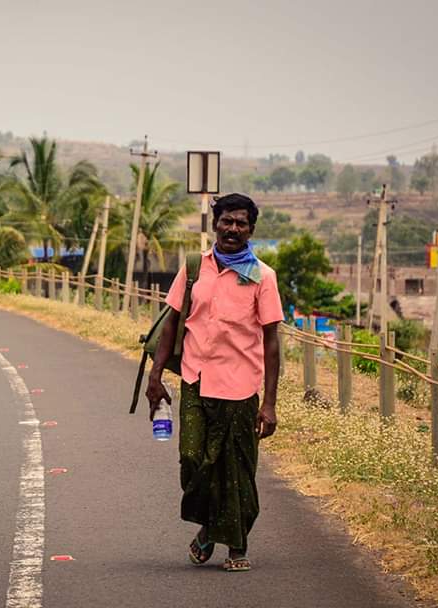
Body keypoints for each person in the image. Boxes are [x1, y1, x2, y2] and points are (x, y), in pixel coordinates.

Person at [145, 192, 283, 572]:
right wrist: (155, 377)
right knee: (193, 460)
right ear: (215, 224)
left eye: (241, 223)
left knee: (237, 471)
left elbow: (272, 341)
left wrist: (269, 403)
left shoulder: (263, 277)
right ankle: (208, 526)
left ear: (251, 229)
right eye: (227, 221)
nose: (233, 229)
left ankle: (236, 545)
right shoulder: (193, 268)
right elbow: (172, 322)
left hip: (240, 388)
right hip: (195, 379)